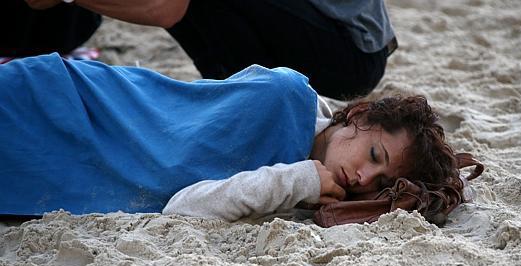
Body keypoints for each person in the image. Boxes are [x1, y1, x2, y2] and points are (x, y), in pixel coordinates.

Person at [0, 53, 462, 222]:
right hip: (52, 110)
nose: (363, 176)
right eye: (374, 153)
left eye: (380, 180)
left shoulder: (313, 175)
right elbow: (182, 203)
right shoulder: (281, 98)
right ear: (357, 116)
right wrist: (293, 181)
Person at [4, 0, 398, 100]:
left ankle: (231, 97)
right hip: (353, 43)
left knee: (194, 6)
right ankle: (230, 94)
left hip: (348, 49)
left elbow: (164, 8)